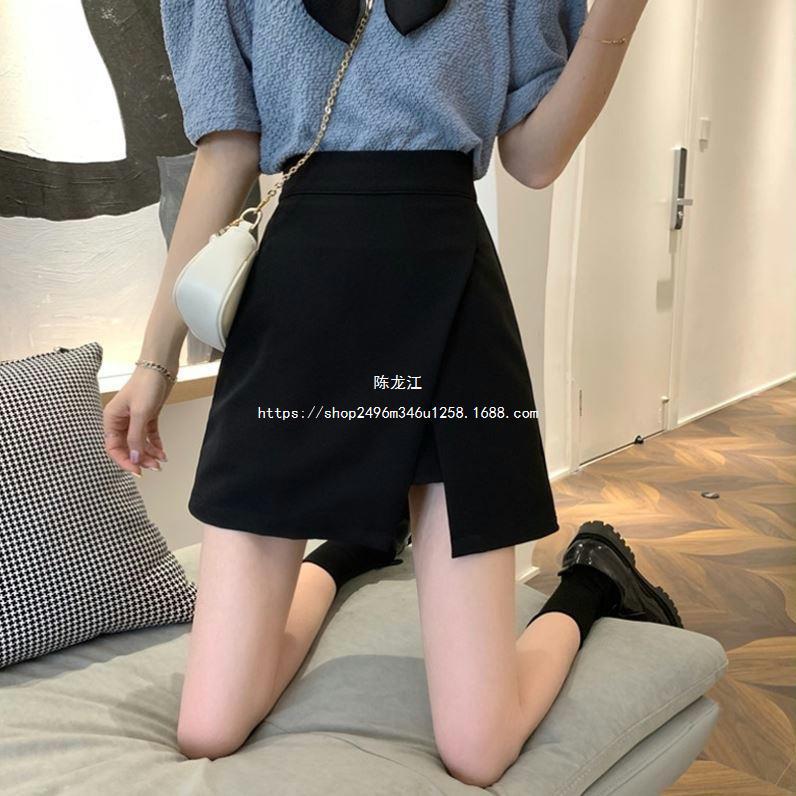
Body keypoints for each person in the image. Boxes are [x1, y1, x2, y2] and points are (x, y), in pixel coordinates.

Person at [103, 0, 682, 787]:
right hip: (297, 310)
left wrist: (619, 14)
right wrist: (155, 361)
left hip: (450, 301)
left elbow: (535, 158)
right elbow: (228, 150)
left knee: (478, 750)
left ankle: (593, 582)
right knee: (209, 728)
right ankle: (354, 551)